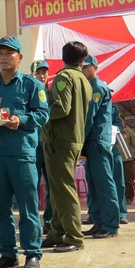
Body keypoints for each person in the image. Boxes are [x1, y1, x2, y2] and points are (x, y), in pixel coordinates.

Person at [0, 36, 49, 268]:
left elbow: (43, 115)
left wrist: (19, 120)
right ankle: (7, 253)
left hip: (22, 154)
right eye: (0, 53)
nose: (3, 57)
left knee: (28, 206)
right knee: (0, 208)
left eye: (8, 53)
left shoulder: (32, 86)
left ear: (19, 58)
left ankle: (32, 253)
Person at [41, 41, 92, 253]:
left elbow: (61, 107)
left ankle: (74, 236)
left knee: (64, 189)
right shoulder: (85, 80)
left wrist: (41, 114)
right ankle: (57, 232)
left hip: (59, 140)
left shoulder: (64, 77)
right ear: (83, 59)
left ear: (64, 57)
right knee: (58, 189)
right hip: (73, 139)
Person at [80, 56, 120, 239]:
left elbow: (89, 117)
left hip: (97, 140)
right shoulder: (88, 87)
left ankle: (111, 225)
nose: (83, 69)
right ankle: (98, 222)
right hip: (91, 142)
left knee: (104, 183)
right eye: (82, 66)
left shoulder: (98, 87)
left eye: (86, 67)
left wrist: (79, 140)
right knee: (94, 185)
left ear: (95, 67)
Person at [31, 59, 52, 233]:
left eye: (44, 72)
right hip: (33, 146)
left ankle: (50, 221)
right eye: (39, 72)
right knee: (32, 186)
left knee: (51, 186)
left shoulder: (52, 94)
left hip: (49, 145)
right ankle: (33, 223)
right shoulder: (29, 92)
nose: (42, 75)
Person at [111, 104, 128, 224]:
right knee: (94, 183)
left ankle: (121, 213)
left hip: (113, 150)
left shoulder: (112, 109)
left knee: (119, 182)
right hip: (93, 150)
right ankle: (94, 213)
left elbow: (119, 127)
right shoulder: (84, 103)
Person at [121, 117, 135, 203]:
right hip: (116, 159)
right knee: (118, 179)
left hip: (128, 160)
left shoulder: (129, 132)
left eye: (121, 120)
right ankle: (120, 197)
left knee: (128, 180)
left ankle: (129, 197)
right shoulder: (113, 131)